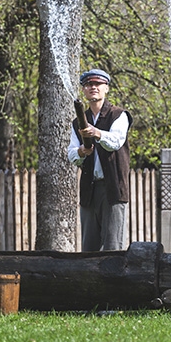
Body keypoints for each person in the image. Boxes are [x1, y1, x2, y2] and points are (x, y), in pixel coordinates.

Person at [67, 69, 133, 252]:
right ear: (84, 90)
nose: (93, 87)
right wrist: (81, 151)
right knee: (88, 249)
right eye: (88, 84)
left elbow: (116, 142)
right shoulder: (78, 121)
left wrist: (96, 133)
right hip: (89, 189)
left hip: (113, 189)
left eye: (97, 84)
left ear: (106, 88)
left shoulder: (119, 115)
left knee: (113, 248)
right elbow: (71, 154)